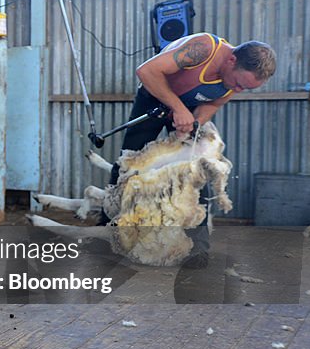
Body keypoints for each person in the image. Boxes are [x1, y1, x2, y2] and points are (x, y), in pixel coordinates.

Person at [102, 34, 276, 265]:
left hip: (190, 106)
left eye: (246, 88)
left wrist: (194, 124)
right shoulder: (204, 48)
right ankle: (105, 231)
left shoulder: (235, 80)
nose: (239, 90)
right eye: (239, 84)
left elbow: (213, 103)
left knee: (197, 171)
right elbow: (146, 71)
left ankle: (197, 248)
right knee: (128, 163)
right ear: (232, 61)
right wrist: (178, 108)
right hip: (155, 94)